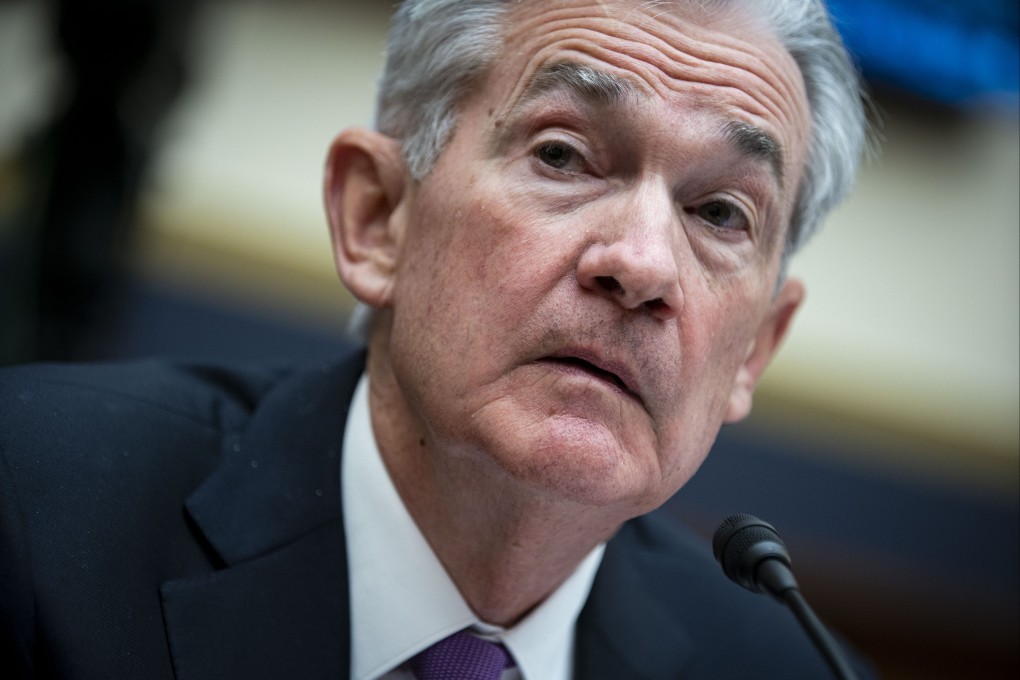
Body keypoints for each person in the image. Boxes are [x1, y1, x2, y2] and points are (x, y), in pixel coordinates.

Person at [0, 0, 873, 678]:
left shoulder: (787, 672)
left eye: (721, 212)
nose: (642, 265)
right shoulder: (31, 505)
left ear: (755, 349)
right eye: (564, 156)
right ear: (378, 216)